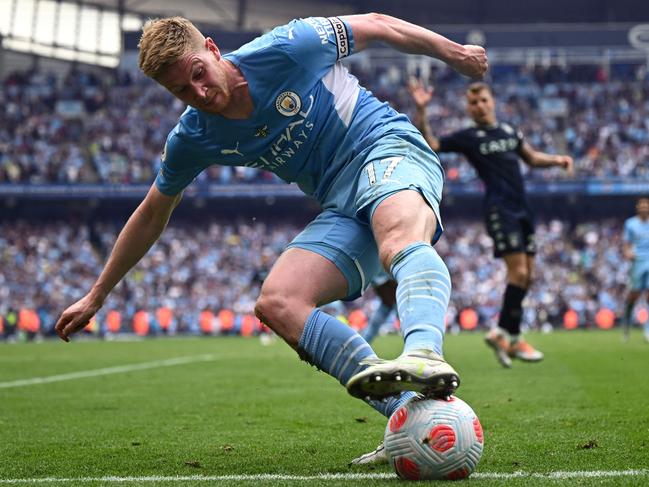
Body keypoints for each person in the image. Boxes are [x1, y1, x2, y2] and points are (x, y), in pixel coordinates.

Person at [54, 14, 486, 443]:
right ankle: (406, 415)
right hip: (340, 201)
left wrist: (455, 53)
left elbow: (376, 25)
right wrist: (97, 294)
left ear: (211, 48)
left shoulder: (288, 47)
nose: (199, 93)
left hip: (385, 147)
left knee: (396, 239)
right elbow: (152, 212)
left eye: (198, 74)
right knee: (279, 302)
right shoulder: (193, 136)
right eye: (181, 91)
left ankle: (424, 352)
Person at [408, 80, 573, 367]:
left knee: (528, 276)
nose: (479, 106)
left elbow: (532, 158)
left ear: (492, 101)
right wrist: (422, 110)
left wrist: (558, 160)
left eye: (483, 100)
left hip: (523, 209)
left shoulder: (509, 131)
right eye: (473, 103)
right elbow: (433, 143)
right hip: (500, 210)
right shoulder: (469, 137)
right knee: (518, 271)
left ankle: (507, 336)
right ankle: (508, 335)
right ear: (468, 108)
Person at [621, 197, 649, 342]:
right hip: (637, 261)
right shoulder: (630, 223)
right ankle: (626, 326)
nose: (644, 207)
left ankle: (647, 330)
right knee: (634, 296)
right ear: (638, 207)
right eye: (642, 205)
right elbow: (626, 243)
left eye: (646, 205)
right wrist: (627, 253)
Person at [360, 270, 397, 344]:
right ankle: (360, 346)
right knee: (373, 325)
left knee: (409, 325)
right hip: (386, 303)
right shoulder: (374, 277)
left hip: (397, 300)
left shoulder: (383, 274)